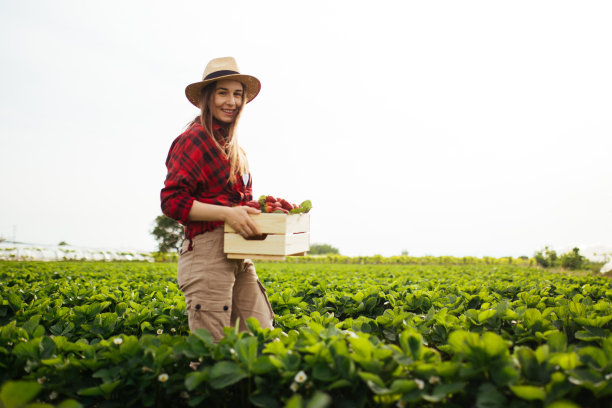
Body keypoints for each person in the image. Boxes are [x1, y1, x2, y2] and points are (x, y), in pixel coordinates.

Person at [160, 57, 274, 343]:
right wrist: (227, 214)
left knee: (260, 337)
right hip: (207, 253)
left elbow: (236, 204)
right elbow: (172, 201)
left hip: (238, 253)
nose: (231, 101)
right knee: (213, 352)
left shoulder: (235, 149)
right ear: (208, 98)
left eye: (237, 94)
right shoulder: (194, 139)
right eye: (223, 92)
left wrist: (262, 212)